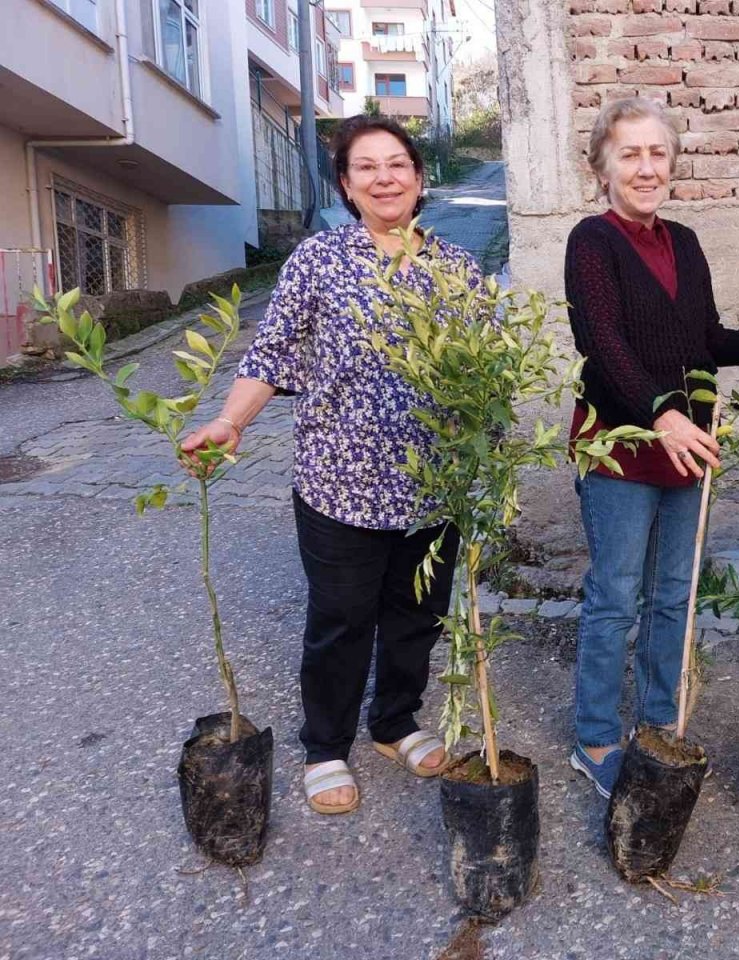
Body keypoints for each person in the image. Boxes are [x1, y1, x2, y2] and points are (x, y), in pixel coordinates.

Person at [181, 116, 482, 815]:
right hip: (339, 483)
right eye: (367, 167)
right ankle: (325, 745)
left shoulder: (458, 269)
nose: (385, 177)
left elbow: (483, 375)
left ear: (418, 176)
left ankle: (395, 722)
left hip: (432, 485)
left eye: (398, 163)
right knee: (342, 619)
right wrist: (229, 421)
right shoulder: (318, 261)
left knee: (418, 614)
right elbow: (272, 355)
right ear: (346, 184)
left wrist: (486, 456)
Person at [564, 97, 739, 797]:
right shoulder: (592, 242)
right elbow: (601, 343)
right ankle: (595, 736)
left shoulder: (683, 242)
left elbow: (704, 340)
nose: (646, 166)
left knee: (673, 595)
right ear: (602, 167)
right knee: (614, 595)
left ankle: (656, 723)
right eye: (629, 153)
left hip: (688, 450)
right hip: (621, 446)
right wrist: (662, 413)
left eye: (657, 153)